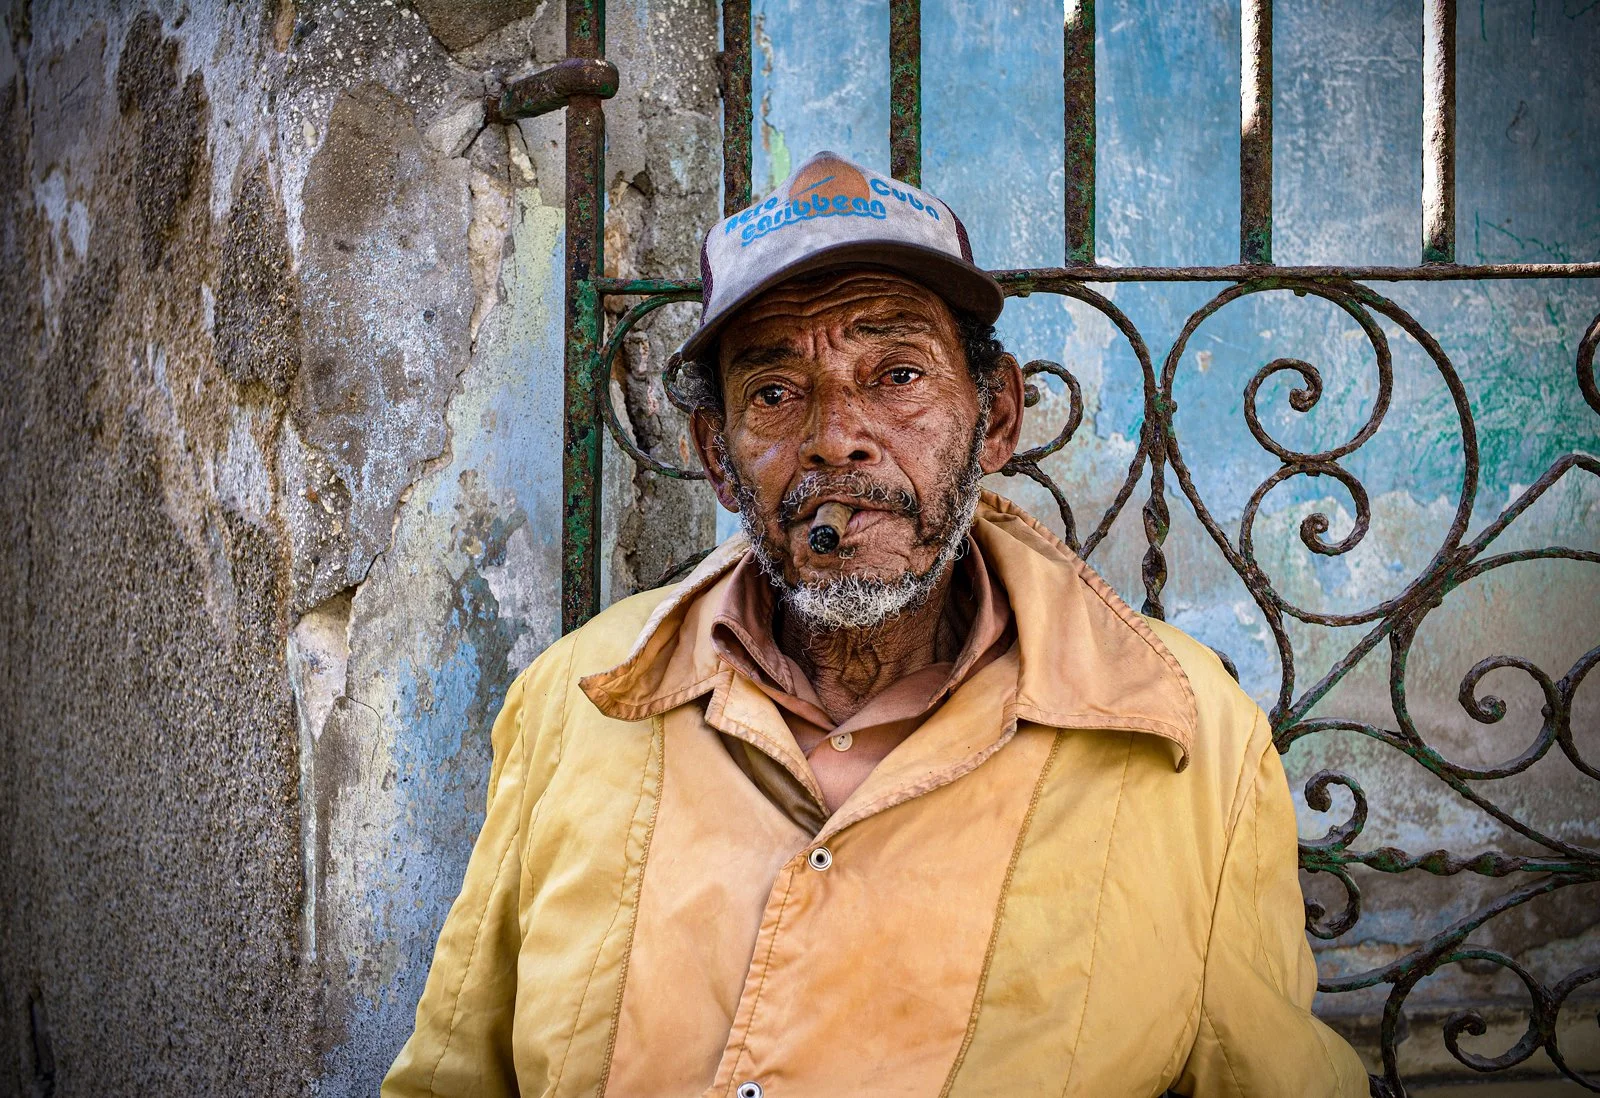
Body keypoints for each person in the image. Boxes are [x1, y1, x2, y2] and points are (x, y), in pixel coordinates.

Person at [383, 152, 1369, 1097]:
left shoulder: (1188, 733)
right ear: (719, 460)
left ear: (994, 420)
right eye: (774, 392)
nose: (836, 437)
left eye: (896, 375)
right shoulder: (577, 697)